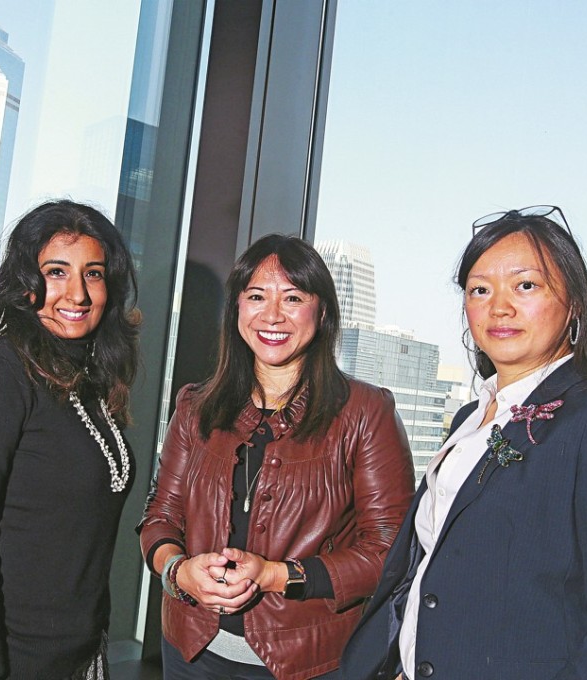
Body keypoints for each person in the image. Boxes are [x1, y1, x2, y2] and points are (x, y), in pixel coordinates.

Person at [341, 206, 587, 680]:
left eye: (525, 285)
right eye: (480, 290)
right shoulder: (472, 416)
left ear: (572, 302)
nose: (499, 306)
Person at [139, 234, 415, 680]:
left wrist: (276, 575)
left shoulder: (366, 412)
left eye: (292, 298)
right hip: (190, 653)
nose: (272, 315)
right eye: (256, 297)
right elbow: (160, 516)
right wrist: (178, 571)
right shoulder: (196, 405)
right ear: (237, 309)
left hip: (310, 663)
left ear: (321, 311)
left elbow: (390, 550)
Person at [0, 200, 140, 680]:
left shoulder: (92, 380)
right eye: (57, 271)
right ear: (25, 283)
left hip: (79, 660)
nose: (77, 293)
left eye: (94, 274)